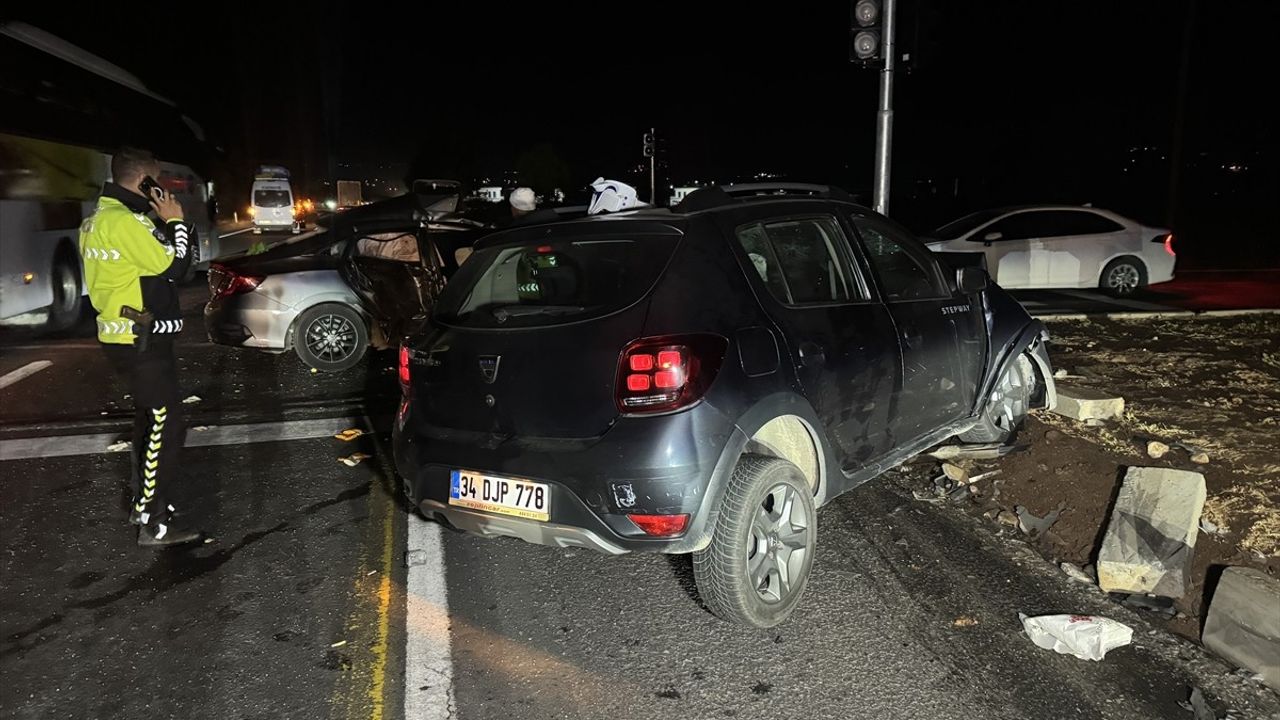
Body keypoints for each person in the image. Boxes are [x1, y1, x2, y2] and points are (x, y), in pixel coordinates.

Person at [82, 147, 200, 547]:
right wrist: (177, 222)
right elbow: (176, 265)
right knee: (163, 427)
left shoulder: (101, 219)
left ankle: (145, 504)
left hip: (123, 336)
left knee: (150, 421)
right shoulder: (126, 224)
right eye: (156, 180)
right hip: (141, 339)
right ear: (144, 181)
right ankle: (153, 521)